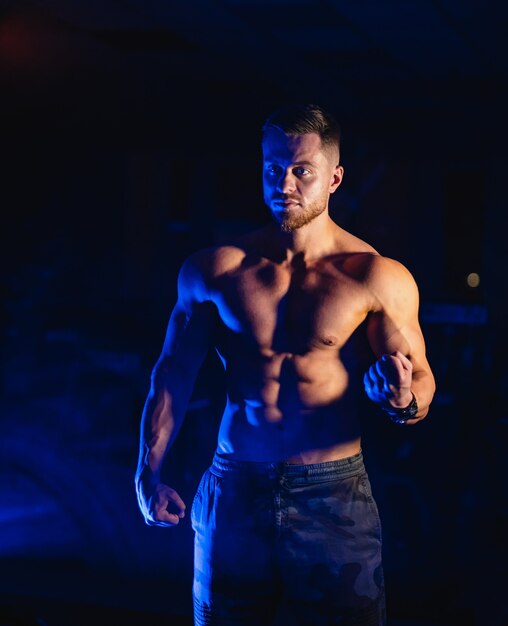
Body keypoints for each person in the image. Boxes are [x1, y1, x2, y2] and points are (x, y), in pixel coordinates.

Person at [135, 103, 436, 626]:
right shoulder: (217, 270)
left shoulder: (373, 275)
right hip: (234, 488)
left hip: (333, 493)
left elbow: (422, 383)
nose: (286, 183)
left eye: (302, 171)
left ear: (335, 178)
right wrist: (148, 471)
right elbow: (172, 374)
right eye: (273, 169)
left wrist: (404, 398)